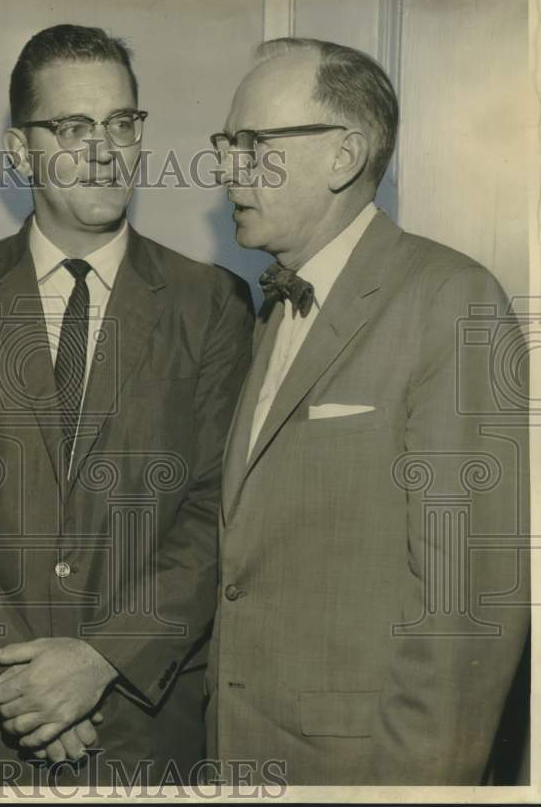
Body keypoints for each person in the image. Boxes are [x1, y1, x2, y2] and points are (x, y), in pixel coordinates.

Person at [0, 24, 253, 785]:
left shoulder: (210, 303)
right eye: (72, 128)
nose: (105, 150)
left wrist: (101, 658)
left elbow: (221, 508)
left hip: (143, 729)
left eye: (123, 123)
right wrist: (24, 685)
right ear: (21, 152)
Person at [208, 38, 529, 784]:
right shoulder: (270, 312)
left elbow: (467, 606)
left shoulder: (450, 300)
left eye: (254, 144)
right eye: (226, 145)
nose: (227, 169)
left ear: (344, 154)